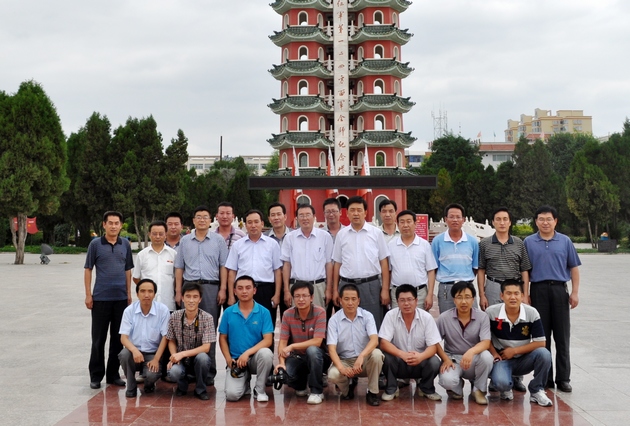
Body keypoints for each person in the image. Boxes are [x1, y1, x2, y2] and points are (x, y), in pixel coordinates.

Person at [524, 205, 581, 393]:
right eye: (541, 219)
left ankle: (563, 378)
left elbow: (574, 268)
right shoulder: (529, 242)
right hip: (538, 290)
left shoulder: (565, 241)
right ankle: (545, 378)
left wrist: (574, 292)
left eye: (549, 219)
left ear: (555, 221)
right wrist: (525, 293)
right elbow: (525, 271)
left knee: (562, 337)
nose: (545, 222)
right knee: (542, 337)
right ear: (536, 221)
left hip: (559, 290)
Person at [477, 206, 531, 393]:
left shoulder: (519, 243)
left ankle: (517, 377)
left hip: (515, 289)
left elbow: (524, 269)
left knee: (516, 329)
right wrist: (482, 294)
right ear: (493, 222)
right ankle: (495, 374)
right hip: (493, 286)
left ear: (510, 222)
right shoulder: (485, 244)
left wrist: (525, 294)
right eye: (498, 219)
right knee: (494, 328)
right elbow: (481, 270)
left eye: (505, 219)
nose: (501, 222)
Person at [174, 205, 228, 386]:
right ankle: (188, 371)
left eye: (205, 217)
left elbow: (223, 266)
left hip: (211, 287)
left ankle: (208, 372)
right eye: (199, 216)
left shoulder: (218, 240)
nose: (202, 220)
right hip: (189, 288)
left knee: (208, 329)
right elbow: (179, 267)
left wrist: (223, 289)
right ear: (193, 220)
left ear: (211, 220)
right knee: (187, 328)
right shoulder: (185, 241)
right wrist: (178, 291)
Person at [84, 211, 134, 389]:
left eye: (116, 223)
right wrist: (88, 294)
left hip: (120, 299)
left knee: (118, 339)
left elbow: (128, 270)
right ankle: (96, 375)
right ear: (104, 224)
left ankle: (113, 375)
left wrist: (129, 293)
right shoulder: (95, 244)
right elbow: (88, 269)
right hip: (101, 299)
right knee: (98, 339)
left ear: (121, 225)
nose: (113, 226)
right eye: (110, 223)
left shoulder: (125, 244)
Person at [486, 280, 553, 407]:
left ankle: (536, 390)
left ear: (522, 296)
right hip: (502, 359)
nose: (513, 297)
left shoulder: (531, 313)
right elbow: (485, 338)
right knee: (501, 383)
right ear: (502, 296)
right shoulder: (491, 312)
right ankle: (505, 386)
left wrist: (514, 351)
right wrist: (494, 354)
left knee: (544, 354)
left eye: (516, 293)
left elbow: (541, 342)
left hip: (524, 359)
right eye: (508, 293)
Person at [332, 196, 390, 329]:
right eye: (352, 210)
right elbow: (337, 264)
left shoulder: (376, 233)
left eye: (359, 210)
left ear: (365, 212)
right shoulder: (341, 235)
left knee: (373, 324)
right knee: (347, 324)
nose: (356, 213)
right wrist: (335, 290)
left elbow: (384, 262)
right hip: (347, 285)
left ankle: (374, 344)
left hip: (371, 285)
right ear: (347, 213)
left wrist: (385, 289)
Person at [378, 284, 442, 402]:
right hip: (399, 361)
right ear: (397, 302)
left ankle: (426, 388)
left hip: (420, 361)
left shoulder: (426, 317)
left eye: (409, 299)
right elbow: (384, 343)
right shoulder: (390, 315)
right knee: (386, 357)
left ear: (416, 301)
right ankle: (392, 388)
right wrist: (402, 354)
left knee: (434, 362)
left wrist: (420, 356)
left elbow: (433, 346)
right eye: (402, 300)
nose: (406, 304)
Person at [435, 282, 493, 405]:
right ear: (453, 299)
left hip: (474, 359)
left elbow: (486, 342)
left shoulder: (482, 317)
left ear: (473, 299)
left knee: (487, 357)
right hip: (453, 360)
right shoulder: (444, 318)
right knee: (447, 381)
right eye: (459, 297)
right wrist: (445, 359)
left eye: (467, 297)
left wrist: (471, 352)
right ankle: (456, 388)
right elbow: (434, 342)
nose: (464, 302)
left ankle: (478, 390)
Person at [219, 275, 274, 402]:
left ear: (254, 290)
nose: (244, 291)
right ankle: (245, 383)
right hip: (237, 361)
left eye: (248, 288)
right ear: (234, 291)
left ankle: (259, 390)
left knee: (266, 353)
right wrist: (228, 359)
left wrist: (247, 353)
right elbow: (222, 338)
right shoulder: (228, 312)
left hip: (255, 358)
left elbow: (268, 340)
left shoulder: (264, 312)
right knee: (232, 395)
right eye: (240, 288)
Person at [327, 284, 384, 406]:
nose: (350, 303)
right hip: (345, 361)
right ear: (340, 301)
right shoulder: (334, 320)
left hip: (364, 360)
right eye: (346, 299)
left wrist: (362, 356)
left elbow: (374, 340)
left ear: (359, 301)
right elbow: (331, 349)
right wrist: (342, 368)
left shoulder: (367, 316)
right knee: (333, 374)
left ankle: (372, 392)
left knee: (377, 354)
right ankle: (347, 390)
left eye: (353, 299)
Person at [226, 209, 282, 327]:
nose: (253, 225)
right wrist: (231, 295)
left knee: (266, 326)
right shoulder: (238, 245)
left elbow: (277, 271)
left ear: (262, 223)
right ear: (245, 225)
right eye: (249, 222)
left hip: (266, 290)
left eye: (256, 222)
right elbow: (232, 272)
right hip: (243, 290)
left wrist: (277, 294)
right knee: (243, 325)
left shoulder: (272, 244)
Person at [274, 282, 328, 404]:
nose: (301, 299)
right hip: (297, 357)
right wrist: (281, 363)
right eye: (297, 296)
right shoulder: (287, 314)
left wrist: (292, 346)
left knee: (312, 350)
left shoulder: (320, 312)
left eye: (304, 296)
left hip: (318, 356)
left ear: (311, 297)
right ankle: (301, 384)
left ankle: (316, 391)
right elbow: (282, 342)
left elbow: (317, 341)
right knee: (287, 376)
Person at [118, 279, 170, 397]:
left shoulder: (163, 310)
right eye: (143, 291)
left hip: (153, 353)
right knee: (124, 354)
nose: (146, 295)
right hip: (134, 353)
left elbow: (165, 337)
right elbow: (123, 338)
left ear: (154, 294)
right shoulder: (129, 311)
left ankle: (149, 384)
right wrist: (134, 350)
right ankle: (131, 386)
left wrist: (156, 359)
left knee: (152, 375)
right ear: (137, 294)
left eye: (150, 291)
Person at [166, 282, 215, 400]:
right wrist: (174, 355)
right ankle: (182, 386)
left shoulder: (207, 317)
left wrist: (182, 354)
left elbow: (206, 347)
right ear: (182, 298)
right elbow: (171, 340)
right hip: (181, 359)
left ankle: (200, 389)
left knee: (203, 358)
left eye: (195, 297)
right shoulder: (174, 316)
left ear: (200, 299)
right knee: (173, 372)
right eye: (188, 296)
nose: (191, 300)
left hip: (197, 358)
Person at [281, 204, 333, 309]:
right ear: (297, 218)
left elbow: (329, 264)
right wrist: (286, 290)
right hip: (296, 287)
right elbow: (286, 265)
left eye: (308, 215)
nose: (305, 218)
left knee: (318, 317)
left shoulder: (325, 236)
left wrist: (328, 289)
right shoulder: (289, 238)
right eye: (301, 215)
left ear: (314, 216)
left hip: (318, 287)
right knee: (297, 318)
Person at [431, 203, 479, 313]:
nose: (455, 220)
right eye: (451, 217)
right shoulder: (437, 241)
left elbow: (475, 267)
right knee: (447, 320)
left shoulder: (472, 241)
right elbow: (434, 268)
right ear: (445, 219)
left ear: (464, 220)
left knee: (471, 319)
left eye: (458, 217)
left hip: (467, 287)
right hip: (446, 288)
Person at [388, 210, 437, 310]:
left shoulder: (424, 245)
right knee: (397, 319)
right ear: (397, 224)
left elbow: (431, 271)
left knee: (420, 319)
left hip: (419, 293)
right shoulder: (391, 245)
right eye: (402, 222)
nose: (405, 225)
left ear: (415, 223)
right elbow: (388, 271)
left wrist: (430, 294)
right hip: (398, 293)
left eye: (409, 221)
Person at [133, 220, 177, 311]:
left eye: (161, 234)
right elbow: (136, 277)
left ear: (166, 234)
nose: (157, 236)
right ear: (149, 234)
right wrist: (147, 290)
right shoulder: (142, 255)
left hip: (168, 302)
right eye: (154, 234)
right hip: (148, 304)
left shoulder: (173, 254)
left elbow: (177, 278)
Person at [266, 202, 293, 321]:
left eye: (279, 214)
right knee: (268, 319)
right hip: (271, 284)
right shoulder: (264, 238)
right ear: (269, 219)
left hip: (291, 283)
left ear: (285, 216)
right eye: (273, 215)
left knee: (290, 320)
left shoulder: (295, 236)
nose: (276, 217)